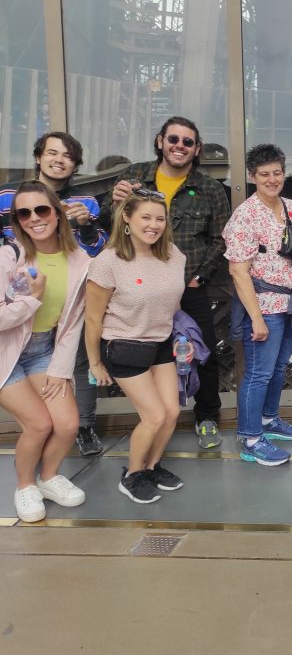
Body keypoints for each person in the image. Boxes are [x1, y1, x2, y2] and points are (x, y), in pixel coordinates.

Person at [101, 116, 229, 449]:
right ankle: (153, 419)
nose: (180, 146)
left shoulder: (210, 189)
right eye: (174, 139)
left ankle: (207, 418)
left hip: (186, 287)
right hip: (138, 286)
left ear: (197, 149)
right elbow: (107, 221)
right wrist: (112, 202)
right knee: (150, 350)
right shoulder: (134, 177)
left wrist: (201, 276)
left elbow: (221, 239)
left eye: (188, 142)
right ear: (160, 141)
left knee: (205, 353)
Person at [0, 132, 108, 457]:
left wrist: (87, 225)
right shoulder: (8, 195)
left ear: (75, 164)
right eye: (52, 153)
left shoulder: (85, 202)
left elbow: (96, 251)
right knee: (36, 417)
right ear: (38, 157)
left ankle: (83, 429)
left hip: (60, 305)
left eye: (67, 155)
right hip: (15, 293)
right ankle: (32, 462)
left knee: (73, 369)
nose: (59, 159)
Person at [86, 190, 190, 504]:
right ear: (127, 219)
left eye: (160, 218)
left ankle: (151, 466)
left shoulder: (173, 254)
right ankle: (132, 474)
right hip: (125, 345)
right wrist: (94, 362)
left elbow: (173, 304)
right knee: (154, 416)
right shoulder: (109, 261)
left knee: (172, 412)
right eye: (146, 217)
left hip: (161, 342)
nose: (154, 224)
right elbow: (92, 318)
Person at [0, 182, 90, 522]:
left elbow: (72, 324)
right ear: (17, 220)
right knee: (38, 424)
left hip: (43, 350)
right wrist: (31, 299)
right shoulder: (8, 256)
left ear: (57, 211)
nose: (34, 218)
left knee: (67, 425)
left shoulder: (78, 259)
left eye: (42, 209)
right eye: (24, 212)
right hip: (5, 354)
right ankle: (25, 486)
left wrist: (60, 368)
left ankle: (49, 476)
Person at [222, 145, 292, 467]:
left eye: (277, 173)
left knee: (280, 367)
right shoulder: (245, 215)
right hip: (264, 304)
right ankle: (251, 437)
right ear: (253, 176)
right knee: (258, 372)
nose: (272, 179)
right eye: (264, 174)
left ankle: (270, 419)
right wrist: (255, 318)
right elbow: (238, 271)